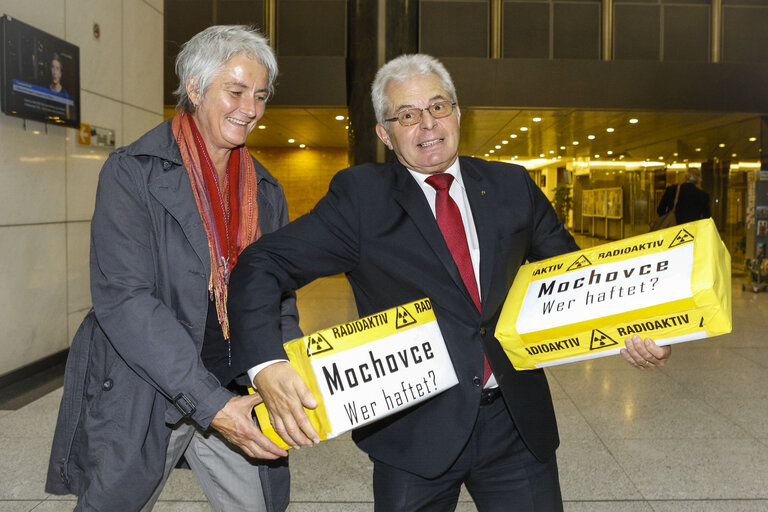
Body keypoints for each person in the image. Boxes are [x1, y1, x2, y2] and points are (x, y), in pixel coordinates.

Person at [227, 53, 672, 511]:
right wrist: (267, 364)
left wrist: (638, 327)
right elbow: (262, 263)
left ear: (458, 114)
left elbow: (578, 278)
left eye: (438, 107)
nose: (427, 125)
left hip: (515, 425)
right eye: (407, 114)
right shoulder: (362, 199)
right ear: (385, 132)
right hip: (414, 434)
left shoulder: (511, 185)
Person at [45, 25, 300, 512]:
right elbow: (124, 299)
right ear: (195, 87)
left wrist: (286, 369)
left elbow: (277, 294)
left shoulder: (265, 191)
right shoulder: (132, 171)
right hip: (149, 385)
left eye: (261, 95)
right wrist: (211, 405)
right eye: (237, 91)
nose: (251, 108)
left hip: (235, 385)